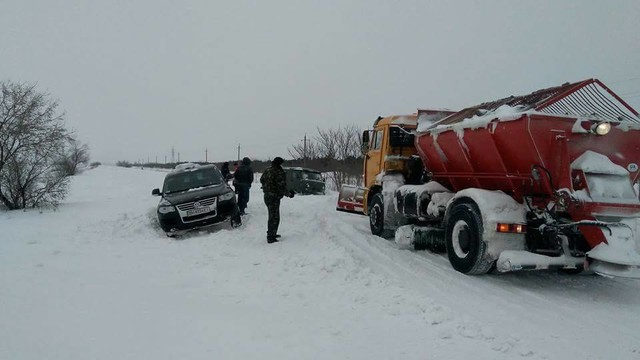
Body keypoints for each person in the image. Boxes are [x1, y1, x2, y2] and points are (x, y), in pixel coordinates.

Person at [260, 156, 294, 243]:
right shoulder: (279, 172)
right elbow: (281, 186)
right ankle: (271, 236)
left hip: (267, 195)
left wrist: (267, 187)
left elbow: (261, 180)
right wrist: (289, 194)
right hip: (274, 197)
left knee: (272, 215)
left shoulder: (267, 170)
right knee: (274, 217)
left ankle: (272, 233)